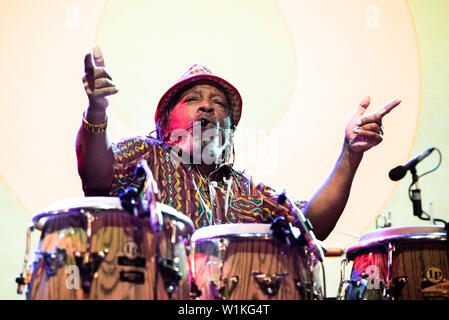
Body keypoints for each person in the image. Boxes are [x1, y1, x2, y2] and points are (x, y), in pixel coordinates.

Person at [76, 45, 401, 241]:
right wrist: (97, 110)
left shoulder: (246, 191)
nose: (207, 106)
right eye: (192, 99)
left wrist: (350, 153)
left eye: (218, 103)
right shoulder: (144, 156)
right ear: (164, 122)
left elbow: (313, 225)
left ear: (229, 130)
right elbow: (95, 176)